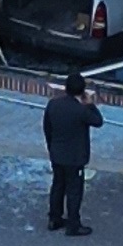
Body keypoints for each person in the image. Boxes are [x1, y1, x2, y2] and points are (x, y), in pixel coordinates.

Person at [42, 66, 104, 235]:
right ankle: (73, 225)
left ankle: (54, 218)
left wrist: (51, 147)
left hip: (57, 153)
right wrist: (91, 105)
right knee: (74, 191)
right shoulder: (81, 111)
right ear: (82, 90)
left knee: (58, 186)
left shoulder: (53, 105)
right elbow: (98, 121)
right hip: (75, 158)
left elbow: (47, 128)